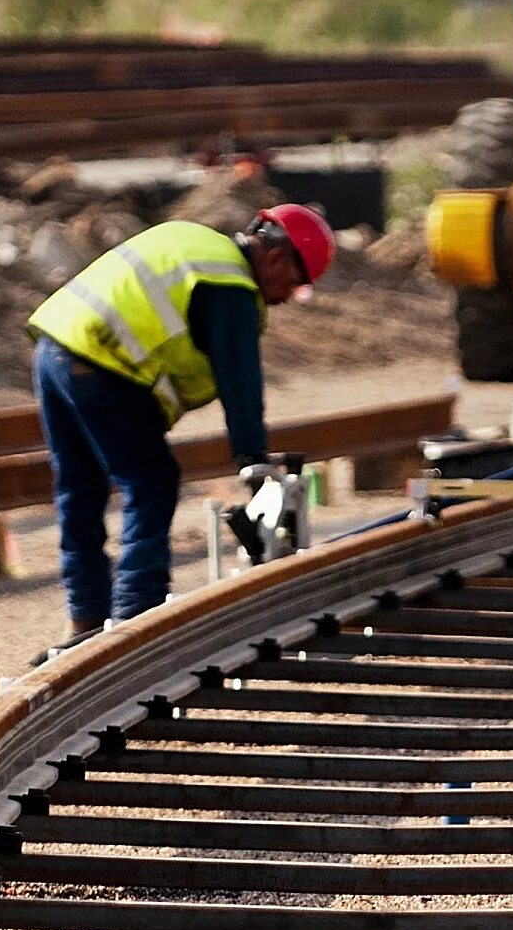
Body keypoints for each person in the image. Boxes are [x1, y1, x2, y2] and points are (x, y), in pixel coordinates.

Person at [26, 203, 336, 648]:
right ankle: (137, 619)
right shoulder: (230, 284)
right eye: (293, 282)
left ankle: (86, 618)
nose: (288, 296)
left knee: (79, 488)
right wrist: (251, 458)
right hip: (102, 362)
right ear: (275, 258)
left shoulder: (194, 242)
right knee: (151, 482)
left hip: (56, 347)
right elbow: (240, 379)